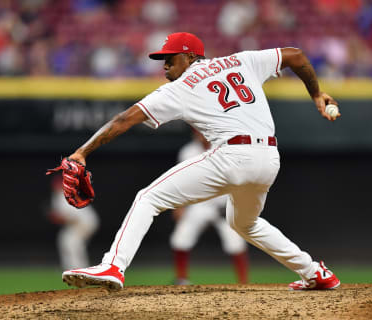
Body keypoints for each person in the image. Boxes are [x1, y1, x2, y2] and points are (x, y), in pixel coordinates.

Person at [60, 32, 341, 291]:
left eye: (170, 58)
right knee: (245, 224)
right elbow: (296, 56)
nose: (165, 64)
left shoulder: (180, 88)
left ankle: (113, 266)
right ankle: (315, 272)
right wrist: (316, 94)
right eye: (162, 59)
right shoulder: (242, 60)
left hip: (232, 156)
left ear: (192, 57)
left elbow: (125, 119)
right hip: (268, 159)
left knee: (147, 198)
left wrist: (82, 152)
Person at [171, 129, 248, 285]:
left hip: (223, 204)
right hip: (199, 203)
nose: (200, 134)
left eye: (203, 130)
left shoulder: (224, 147)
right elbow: (180, 180)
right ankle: (182, 279)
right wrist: (178, 206)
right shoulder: (188, 151)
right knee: (180, 239)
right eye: (197, 131)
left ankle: (243, 283)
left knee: (236, 244)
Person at [48, 176, 99, 270]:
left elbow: (73, 217)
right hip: (82, 222)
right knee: (68, 240)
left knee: (71, 241)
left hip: (85, 222)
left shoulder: (64, 196)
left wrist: (58, 218)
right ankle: (75, 268)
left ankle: (78, 268)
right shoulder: (58, 196)